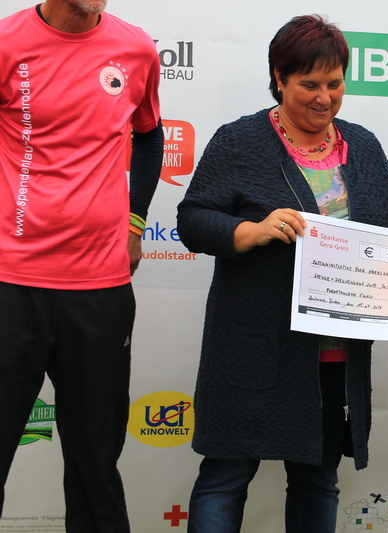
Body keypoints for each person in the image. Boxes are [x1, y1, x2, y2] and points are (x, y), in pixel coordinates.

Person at [176, 14, 388, 533]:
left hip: (332, 356)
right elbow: (192, 219)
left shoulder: (363, 146)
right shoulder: (239, 140)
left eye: (335, 84)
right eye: (309, 84)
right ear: (279, 78)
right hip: (253, 348)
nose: (324, 98)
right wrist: (252, 230)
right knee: (225, 477)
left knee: (318, 481)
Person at [0, 0, 162, 531]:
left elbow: (150, 134)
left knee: (96, 461)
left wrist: (135, 222)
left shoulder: (136, 48)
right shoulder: (6, 43)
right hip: (11, 283)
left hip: (100, 289)